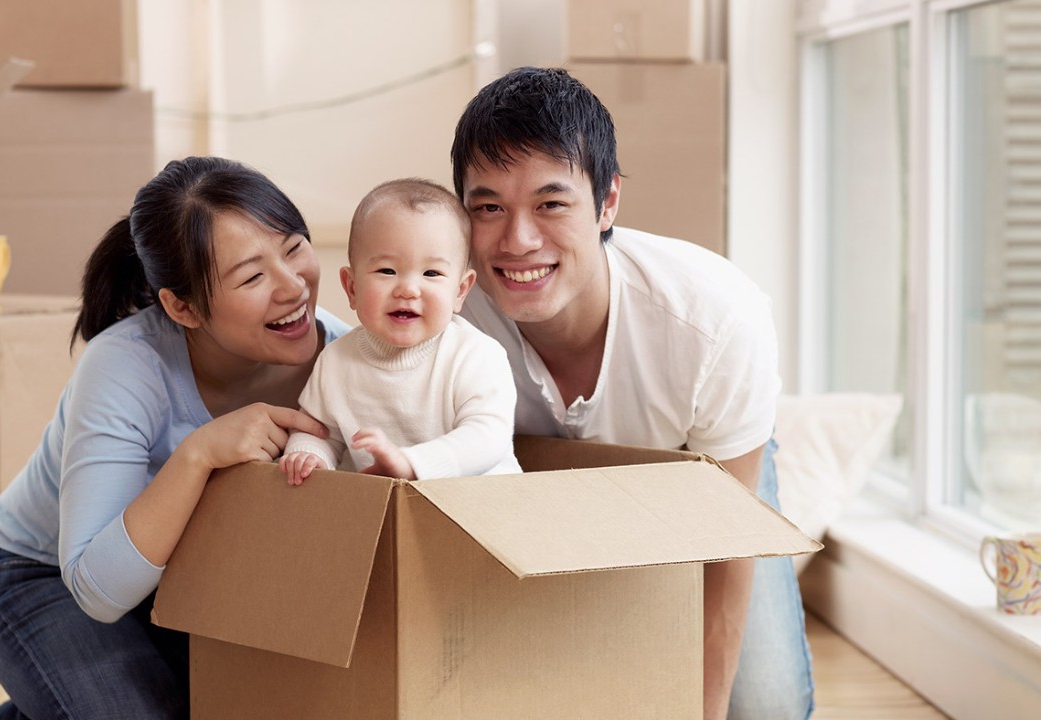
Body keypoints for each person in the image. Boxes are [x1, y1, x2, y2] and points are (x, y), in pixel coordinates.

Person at [451, 67, 813, 720]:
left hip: (697, 489)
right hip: (529, 510)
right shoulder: (445, 313)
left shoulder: (715, 318)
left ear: (608, 201)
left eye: (551, 204)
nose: (518, 240)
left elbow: (724, 541)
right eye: (488, 207)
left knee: (764, 706)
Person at [0, 156, 351, 718]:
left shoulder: (347, 363)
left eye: (294, 246)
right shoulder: (125, 365)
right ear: (182, 306)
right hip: (48, 576)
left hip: (187, 581)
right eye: (251, 276)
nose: (293, 285)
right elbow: (96, 590)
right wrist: (199, 453)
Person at [281, 178, 521, 484]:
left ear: (460, 291)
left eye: (431, 273)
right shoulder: (336, 361)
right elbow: (317, 430)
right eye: (387, 271)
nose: (408, 289)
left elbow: (488, 437)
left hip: (481, 508)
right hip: (391, 513)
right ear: (351, 288)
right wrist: (309, 454)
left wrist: (412, 464)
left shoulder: (475, 355)